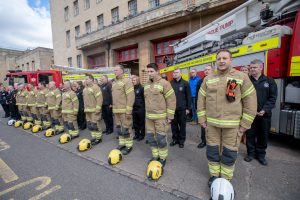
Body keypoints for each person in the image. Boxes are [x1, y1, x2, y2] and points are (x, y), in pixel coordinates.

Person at [197, 49, 257, 187]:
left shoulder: (241, 77)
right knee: (212, 151)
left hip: (232, 125)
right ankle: (214, 175)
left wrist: (245, 124)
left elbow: (250, 101)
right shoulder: (208, 78)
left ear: (231, 60)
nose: (221, 61)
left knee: (229, 153)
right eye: (219, 59)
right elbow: (201, 99)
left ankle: (225, 179)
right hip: (212, 125)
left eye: (225, 58)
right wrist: (202, 119)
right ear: (216, 61)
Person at [244, 59, 277, 166]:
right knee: (250, 135)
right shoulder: (247, 81)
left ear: (261, 68)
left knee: (263, 135)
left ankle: (261, 155)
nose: (252, 69)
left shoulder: (269, 81)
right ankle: (250, 154)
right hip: (250, 115)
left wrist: (264, 110)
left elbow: (272, 98)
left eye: (254, 67)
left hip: (264, 115)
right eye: (251, 67)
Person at [144, 63, 176, 167]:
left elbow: (171, 100)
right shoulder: (146, 84)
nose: (149, 73)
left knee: (161, 138)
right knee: (151, 138)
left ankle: (162, 157)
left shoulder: (164, 83)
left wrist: (170, 116)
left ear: (157, 71)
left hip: (161, 118)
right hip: (149, 118)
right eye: (148, 71)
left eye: (151, 71)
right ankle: (155, 155)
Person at [111, 65, 135, 155]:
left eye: (116, 70)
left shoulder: (127, 81)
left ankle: (128, 145)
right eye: (114, 70)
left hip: (124, 111)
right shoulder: (114, 82)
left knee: (126, 129)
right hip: (116, 111)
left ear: (122, 71)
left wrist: (128, 111)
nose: (115, 72)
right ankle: (122, 143)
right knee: (119, 129)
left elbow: (131, 97)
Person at [170, 69, 191, 148]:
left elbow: (188, 96)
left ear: (180, 73)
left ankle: (181, 140)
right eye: (174, 72)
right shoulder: (170, 83)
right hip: (172, 109)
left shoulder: (185, 83)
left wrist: (188, 108)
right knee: (174, 125)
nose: (175, 74)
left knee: (182, 125)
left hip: (182, 109)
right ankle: (175, 139)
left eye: (177, 72)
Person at [82, 75, 103, 146]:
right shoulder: (85, 89)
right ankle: (94, 137)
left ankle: (98, 138)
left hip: (94, 110)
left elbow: (99, 99)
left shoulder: (96, 87)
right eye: (85, 79)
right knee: (90, 125)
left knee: (95, 124)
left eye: (87, 79)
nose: (85, 80)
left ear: (91, 80)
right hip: (87, 111)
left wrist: (98, 109)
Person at [197, 65, 213, 148]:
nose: (206, 71)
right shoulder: (200, 81)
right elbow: (198, 95)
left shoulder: (215, 80)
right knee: (203, 125)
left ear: (212, 71)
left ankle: (212, 142)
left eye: (208, 70)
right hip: (204, 106)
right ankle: (203, 141)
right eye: (205, 70)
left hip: (213, 107)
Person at [132, 75, 145, 141]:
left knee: (141, 123)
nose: (133, 81)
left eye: (134, 80)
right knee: (135, 123)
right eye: (132, 80)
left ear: (137, 81)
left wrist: (143, 106)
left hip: (140, 108)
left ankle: (142, 135)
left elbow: (144, 99)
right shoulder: (132, 88)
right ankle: (136, 134)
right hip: (134, 108)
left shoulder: (141, 88)